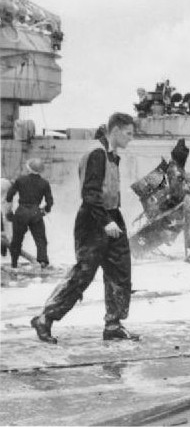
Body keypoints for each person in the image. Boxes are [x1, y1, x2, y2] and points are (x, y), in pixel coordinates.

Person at [30, 113, 137, 344]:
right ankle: (45, 318)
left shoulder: (111, 155)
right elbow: (90, 194)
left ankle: (113, 324)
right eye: (128, 133)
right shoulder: (96, 154)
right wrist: (106, 221)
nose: (131, 138)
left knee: (120, 271)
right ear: (116, 131)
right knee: (83, 274)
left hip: (112, 215)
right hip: (94, 219)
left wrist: (112, 218)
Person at [5, 158, 53, 268]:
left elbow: (9, 196)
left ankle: (14, 264)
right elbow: (50, 202)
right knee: (41, 240)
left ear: (29, 168)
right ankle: (42, 263)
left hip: (21, 212)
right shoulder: (44, 183)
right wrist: (44, 211)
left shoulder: (20, 180)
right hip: (36, 212)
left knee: (17, 240)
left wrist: (9, 212)